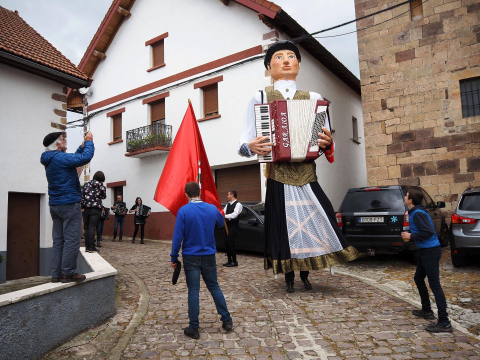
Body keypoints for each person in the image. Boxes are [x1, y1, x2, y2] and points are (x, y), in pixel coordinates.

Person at [238, 40, 359, 293]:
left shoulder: (314, 99)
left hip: (306, 172)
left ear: (299, 65)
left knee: (315, 220)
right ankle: (289, 276)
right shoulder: (259, 98)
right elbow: (243, 142)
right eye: (279, 56)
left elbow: (321, 140)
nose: (285, 60)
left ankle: (306, 272)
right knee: (286, 226)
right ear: (268, 66)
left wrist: (327, 143)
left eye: (291, 56)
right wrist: (252, 146)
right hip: (277, 175)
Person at [170, 182, 233, 339]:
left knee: (193, 291)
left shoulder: (183, 211)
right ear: (200, 192)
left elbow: (178, 236)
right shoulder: (211, 208)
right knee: (214, 287)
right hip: (209, 254)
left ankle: (194, 327)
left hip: (190, 255)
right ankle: (227, 320)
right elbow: (220, 222)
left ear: (186, 194)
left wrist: (174, 256)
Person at [40, 131, 94, 283]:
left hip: (55, 205)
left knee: (59, 241)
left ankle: (56, 274)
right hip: (69, 203)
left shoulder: (50, 159)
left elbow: (71, 161)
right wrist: (89, 142)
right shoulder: (60, 158)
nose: (65, 141)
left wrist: (80, 147)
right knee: (72, 240)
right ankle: (68, 273)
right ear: (57, 144)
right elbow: (85, 158)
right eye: (63, 139)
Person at [401, 188, 453, 333]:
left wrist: (410, 236)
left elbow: (428, 232)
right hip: (426, 251)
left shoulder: (417, 213)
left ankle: (444, 322)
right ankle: (427, 310)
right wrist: (410, 234)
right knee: (418, 278)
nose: (405, 197)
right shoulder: (416, 212)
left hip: (431, 251)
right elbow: (423, 231)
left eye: (406, 196)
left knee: (435, 285)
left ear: (410, 200)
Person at [81, 171, 106, 253]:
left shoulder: (86, 184)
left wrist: (82, 206)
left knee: (87, 228)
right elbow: (103, 196)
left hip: (86, 208)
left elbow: (82, 195)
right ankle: (92, 247)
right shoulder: (101, 186)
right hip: (95, 209)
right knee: (92, 227)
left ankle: (87, 247)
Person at [223, 190, 243, 267]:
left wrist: (225, 216)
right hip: (226, 226)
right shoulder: (227, 205)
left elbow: (234, 215)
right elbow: (223, 213)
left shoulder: (238, 205)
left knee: (231, 243)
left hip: (233, 226)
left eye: (228, 195)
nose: (227, 196)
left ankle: (234, 261)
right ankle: (229, 260)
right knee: (226, 243)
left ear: (232, 195)